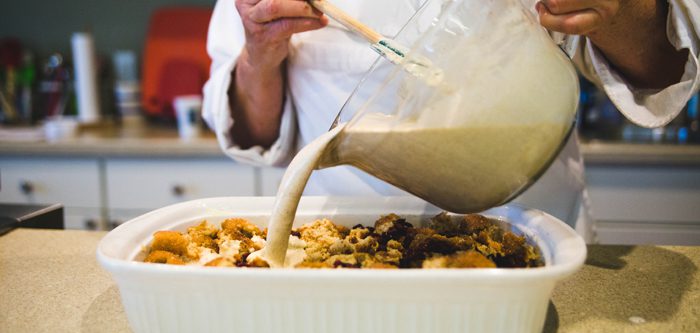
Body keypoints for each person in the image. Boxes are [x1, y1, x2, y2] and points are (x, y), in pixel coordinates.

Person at [202, 0, 700, 243]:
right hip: (349, 246)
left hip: (531, 231)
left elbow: (664, 71)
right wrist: (259, 53)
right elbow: (250, 130)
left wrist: (619, 12)